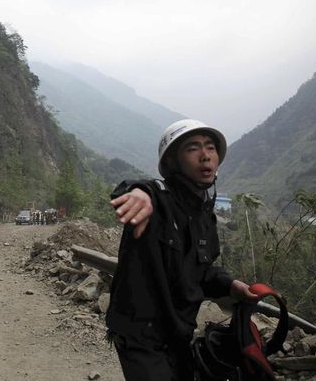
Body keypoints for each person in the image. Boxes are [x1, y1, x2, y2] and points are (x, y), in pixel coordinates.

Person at [106, 119, 258, 380]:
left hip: (179, 333)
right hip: (140, 334)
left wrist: (229, 285)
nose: (205, 155)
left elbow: (199, 272)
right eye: (192, 148)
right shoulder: (158, 200)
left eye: (210, 148)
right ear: (173, 162)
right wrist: (138, 193)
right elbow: (141, 188)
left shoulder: (205, 218)